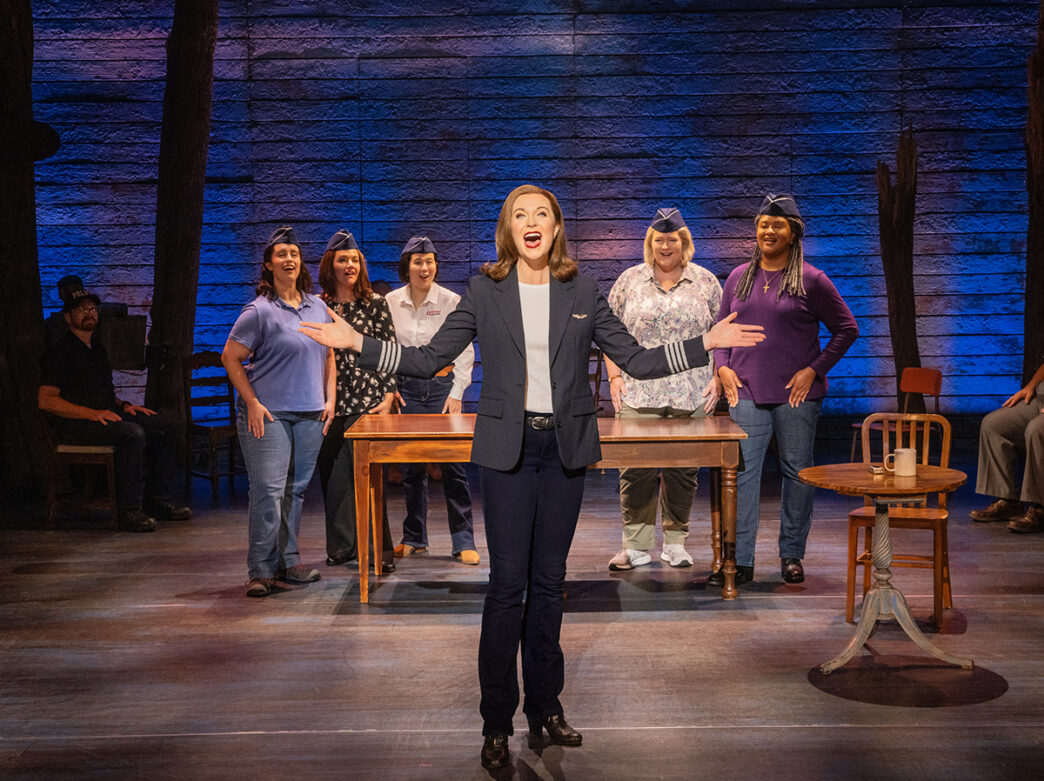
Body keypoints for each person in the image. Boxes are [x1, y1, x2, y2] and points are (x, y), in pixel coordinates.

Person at [299, 184, 765, 770]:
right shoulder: (484, 290)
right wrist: (357, 343)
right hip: (508, 452)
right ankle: (496, 719)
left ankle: (546, 708)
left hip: (563, 451)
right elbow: (425, 359)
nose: (531, 222)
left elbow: (640, 361)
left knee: (549, 585)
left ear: (556, 225)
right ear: (508, 229)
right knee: (506, 588)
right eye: (520, 214)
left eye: (541, 212)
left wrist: (706, 343)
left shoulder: (584, 289)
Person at [712, 194, 858, 586]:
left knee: (797, 474)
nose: (768, 230)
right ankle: (740, 561)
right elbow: (721, 332)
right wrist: (722, 366)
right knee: (742, 477)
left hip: (796, 396)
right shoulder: (739, 277)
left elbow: (847, 330)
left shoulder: (812, 279)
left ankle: (791, 553)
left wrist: (814, 370)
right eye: (763, 224)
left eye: (778, 225)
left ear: (794, 233)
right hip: (746, 392)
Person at [604, 208, 723, 572]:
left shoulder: (705, 282)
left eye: (673, 239)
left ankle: (675, 542)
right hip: (640, 391)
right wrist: (615, 378)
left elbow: (723, 336)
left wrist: (718, 376)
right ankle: (636, 545)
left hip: (691, 392)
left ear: (684, 242)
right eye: (659, 240)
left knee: (683, 469)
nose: (666, 245)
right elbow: (609, 334)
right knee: (634, 468)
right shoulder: (629, 281)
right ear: (650, 243)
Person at [221, 226, 335, 598]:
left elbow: (330, 353)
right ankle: (261, 569)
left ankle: (289, 560)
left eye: (294, 253)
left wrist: (330, 399)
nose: (289, 259)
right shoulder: (260, 311)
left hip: (310, 412)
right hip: (268, 414)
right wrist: (252, 402)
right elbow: (231, 357)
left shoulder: (317, 306)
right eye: (281, 254)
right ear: (269, 264)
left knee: (296, 490)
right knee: (268, 490)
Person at [38, 276, 192, 533]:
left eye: (92, 309)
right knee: (132, 434)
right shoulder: (60, 353)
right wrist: (90, 413)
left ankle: (158, 501)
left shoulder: (96, 349)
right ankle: (128, 510)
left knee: (167, 424)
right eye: (80, 309)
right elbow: (46, 400)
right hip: (75, 425)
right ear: (67, 318)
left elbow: (101, 393)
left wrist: (125, 405)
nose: (88, 313)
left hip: (104, 416)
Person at [386, 236, 479, 565]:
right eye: (417, 262)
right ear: (406, 266)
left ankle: (463, 539)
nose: (424, 268)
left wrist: (457, 393)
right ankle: (414, 537)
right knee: (411, 469)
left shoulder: (452, 300)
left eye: (429, 262)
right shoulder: (391, 302)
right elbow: (387, 350)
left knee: (453, 466)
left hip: (442, 390)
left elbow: (465, 350)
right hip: (407, 391)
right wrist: (390, 386)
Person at [314, 229, 398, 574]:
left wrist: (390, 394)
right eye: (342, 259)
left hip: (368, 400)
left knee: (369, 479)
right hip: (329, 402)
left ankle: (379, 550)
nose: (349, 265)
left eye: (354, 260)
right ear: (330, 265)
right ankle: (342, 547)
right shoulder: (318, 306)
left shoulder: (375, 303)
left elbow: (391, 351)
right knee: (334, 478)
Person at [970, 359, 1044, 532]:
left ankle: (1040, 509)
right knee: (994, 426)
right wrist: (1030, 386)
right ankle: (1008, 501)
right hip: (1040, 399)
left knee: (1037, 430)